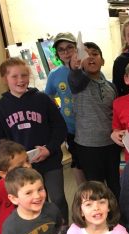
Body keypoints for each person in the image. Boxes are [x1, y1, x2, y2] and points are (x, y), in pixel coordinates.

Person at [0, 57, 69, 226]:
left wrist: (49, 148)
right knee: (33, 201)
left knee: (58, 197)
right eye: (15, 76)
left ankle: (63, 230)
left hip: (49, 159)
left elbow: (60, 127)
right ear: (5, 79)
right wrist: (13, 160)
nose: (21, 80)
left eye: (24, 75)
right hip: (20, 167)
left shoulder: (43, 99)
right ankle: (40, 231)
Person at [68, 41, 121, 199]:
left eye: (95, 54)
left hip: (111, 145)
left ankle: (117, 220)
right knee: (96, 190)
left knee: (115, 186)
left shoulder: (111, 87)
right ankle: (100, 222)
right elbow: (75, 78)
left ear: (103, 61)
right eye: (87, 55)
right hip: (88, 146)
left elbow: (116, 115)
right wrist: (75, 67)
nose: (91, 57)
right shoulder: (79, 83)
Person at [45, 32, 85, 185]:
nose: (66, 52)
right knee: (77, 161)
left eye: (69, 47)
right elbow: (48, 96)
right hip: (70, 127)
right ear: (57, 54)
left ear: (76, 48)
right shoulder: (54, 74)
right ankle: (83, 193)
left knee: (92, 160)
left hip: (90, 125)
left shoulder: (84, 67)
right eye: (61, 49)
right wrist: (57, 112)